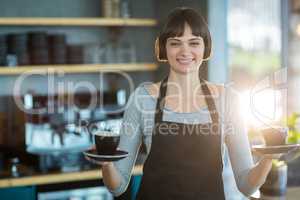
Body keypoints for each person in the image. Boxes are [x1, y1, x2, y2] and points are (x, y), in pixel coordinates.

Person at [86, 7, 279, 200]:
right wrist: (107, 163)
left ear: (206, 48)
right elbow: (118, 186)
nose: (185, 51)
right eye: (175, 43)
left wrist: (269, 155)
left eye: (194, 43)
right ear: (164, 48)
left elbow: (246, 185)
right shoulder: (143, 98)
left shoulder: (228, 100)